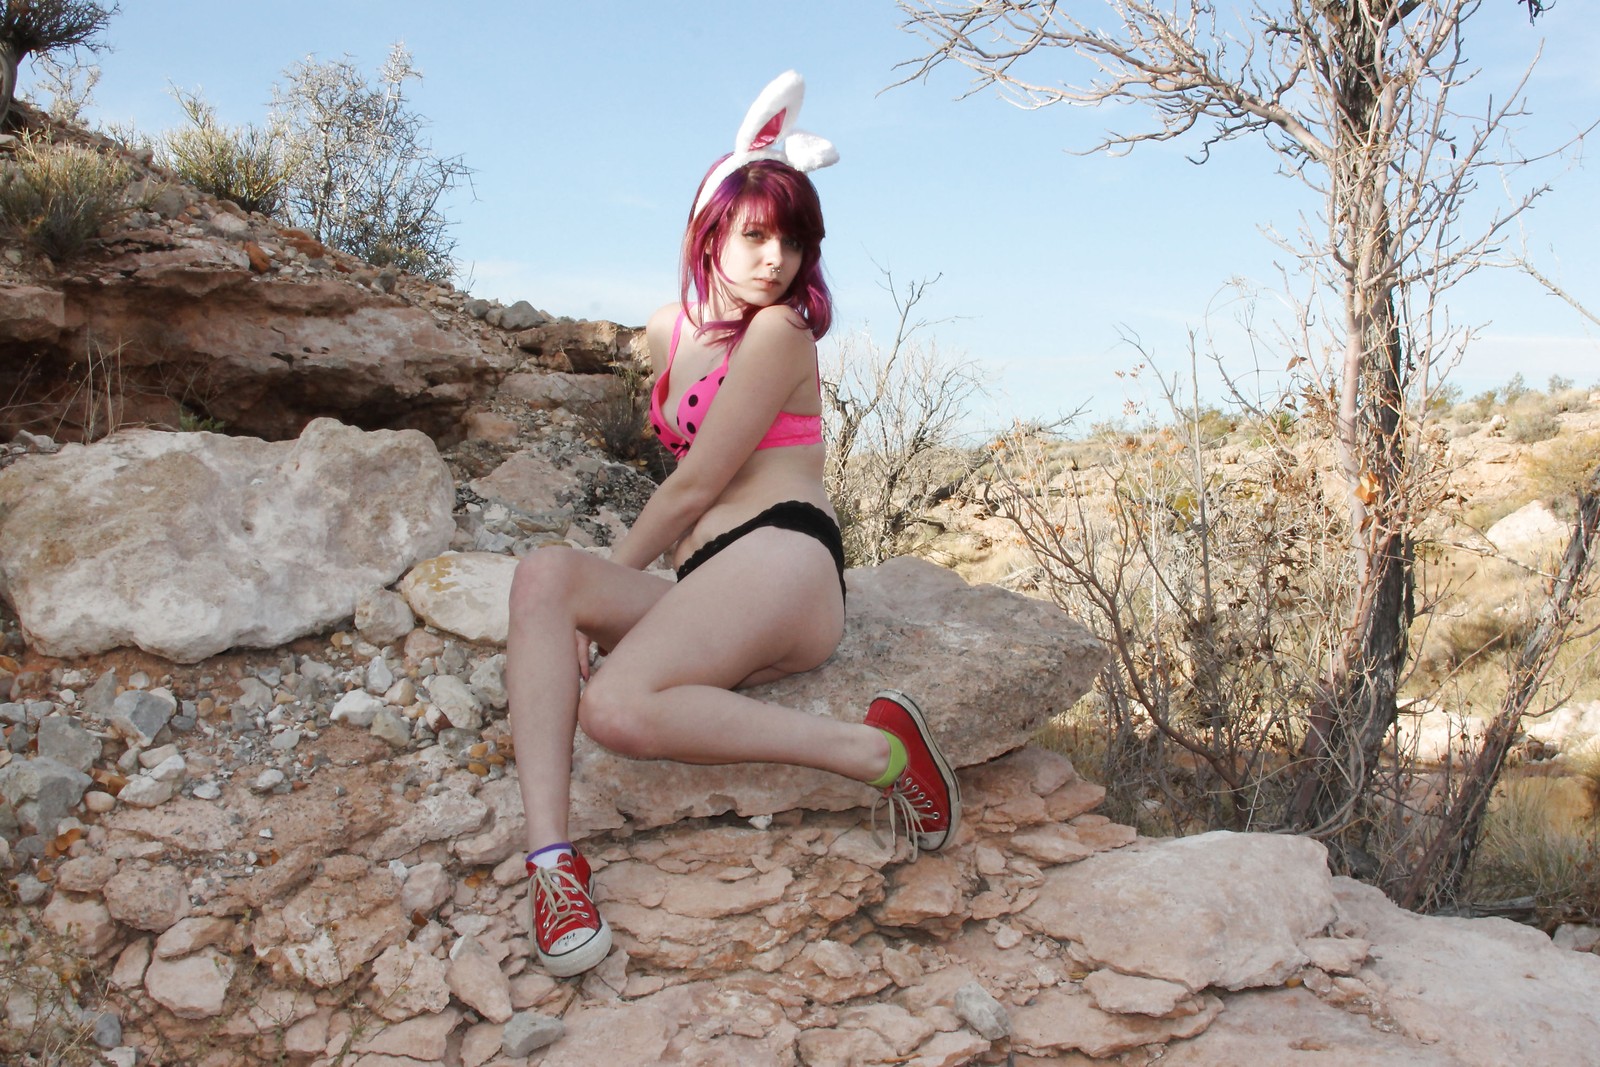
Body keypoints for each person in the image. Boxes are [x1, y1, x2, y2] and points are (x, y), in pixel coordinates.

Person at [503, 71, 962, 979]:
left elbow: (693, 486)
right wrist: (595, 603)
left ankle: (873, 751)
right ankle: (553, 865)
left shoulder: (780, 333)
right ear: (710, 231)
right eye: (755, 235)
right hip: (709, 585)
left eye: (793, 240)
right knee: (544, 576)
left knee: (616, 706)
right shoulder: (665, 332)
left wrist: (605, 614)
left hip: (785, 560)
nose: (775, 259)